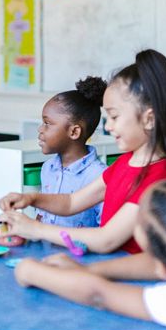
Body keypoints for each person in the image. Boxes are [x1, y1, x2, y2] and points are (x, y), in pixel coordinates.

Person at [0, 49, 166, 253]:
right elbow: (72, 202)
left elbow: (105, 239)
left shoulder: (158, 179)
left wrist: (35, 229)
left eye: (114, 117)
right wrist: (31, 199)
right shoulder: (125, 163)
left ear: (149, 118)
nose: (108, 127)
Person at [14, 180, 166, 329]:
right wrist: (89, 269)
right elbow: (156, 263)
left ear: (165, 268)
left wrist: (30, 271)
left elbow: (99, 295)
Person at [33, 76, 107, 228]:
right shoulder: (48, 168)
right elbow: (41, 216)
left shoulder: (99, 177)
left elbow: (105, 231)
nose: (40, 129)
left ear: (74, 131)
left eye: (47, 123)